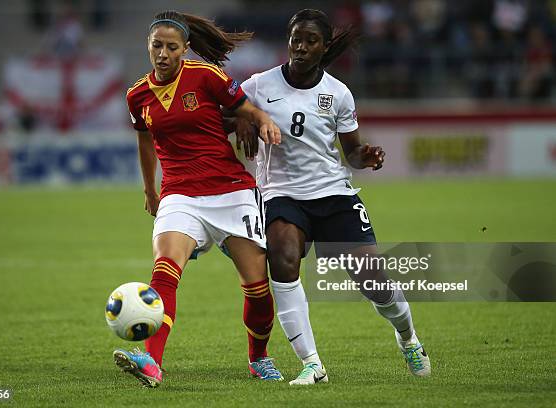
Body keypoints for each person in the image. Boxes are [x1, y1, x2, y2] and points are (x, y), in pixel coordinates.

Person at [235, 9, 431, 385]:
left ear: (324, 47)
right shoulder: (259, 86)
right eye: (296, 39)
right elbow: (229, 111)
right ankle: (312, 363)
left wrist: (366, 157)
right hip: (280, 193)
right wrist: (246, 118)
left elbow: (351, 153)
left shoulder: (337, 93)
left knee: (373, 278)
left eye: (310, 41)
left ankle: (407, 336)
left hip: (332, 193)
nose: (301, 47)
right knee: (284, 260)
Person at [113, 10, 284, 387]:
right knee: (164, 272)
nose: (163, 53)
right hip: (179, 194)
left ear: (185, 48)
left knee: (257, 287)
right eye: (156, 45)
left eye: (171, 47)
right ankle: (151, 361)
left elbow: (246, 109)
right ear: (148, 45)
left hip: (231, 191)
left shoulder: (206, 76)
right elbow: (144, 139)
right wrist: (150, 188)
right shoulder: (137, 94)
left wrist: (263, 121)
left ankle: (259, 357)